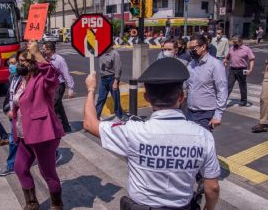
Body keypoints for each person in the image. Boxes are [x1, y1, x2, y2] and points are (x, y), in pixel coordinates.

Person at [83, 58, 221, 210]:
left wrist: (91, 90)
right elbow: (212, 187)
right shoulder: (203, 136)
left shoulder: (133, 131)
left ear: (147, 98)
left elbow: (89, 124)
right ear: (181, 97)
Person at [12, 50, 64, 210]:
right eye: (19, 61)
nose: (20, 64)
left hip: (42, 134)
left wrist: (36, 53)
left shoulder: (41, 80)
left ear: (34, 63)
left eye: (25, 61)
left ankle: (57, 204)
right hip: (24, 134)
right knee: (19, 168)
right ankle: (32, 203)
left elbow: (53, 78)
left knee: (47, 172)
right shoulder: (20, 80)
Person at [185, 35, 228, 132]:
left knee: (202, 143)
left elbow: (222, 90)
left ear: (203, 47)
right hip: (190, 111)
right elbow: (186, 85)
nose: (191, 51)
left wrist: (218, 115)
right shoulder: (191, 64)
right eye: (189, 48)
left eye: (193, 48)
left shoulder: (216, 65)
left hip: (205, 114)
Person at [40, 41, 74, 133]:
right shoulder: (45, 58)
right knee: (59, 106)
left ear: (49, 49)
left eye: (44, 49)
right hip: (49, 85)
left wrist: (70, 88)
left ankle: (57, 127)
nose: (42, 50)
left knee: (53, 105)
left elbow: (66, 74)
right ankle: (65, 127)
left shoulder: (59, 59)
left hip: (59, 85)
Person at [0, 54, 22, 177]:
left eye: (13, 63)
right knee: (16, 140)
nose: (11, 66)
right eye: (9, 63)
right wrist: (8, 108)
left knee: (14, 140)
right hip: (12, 114)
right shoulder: (12, 77)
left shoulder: (24, 78)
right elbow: (10, 96)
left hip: (20, 115)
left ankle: (11, 165)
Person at [224, 35, 255, 107]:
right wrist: (225, 61)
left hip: (242, 69)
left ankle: (244, 101)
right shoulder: (231, 48)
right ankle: (223, 101)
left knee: (242, 85)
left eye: (236, 42)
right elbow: (227, 57)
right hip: (232, 69)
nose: (234, 43)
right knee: (229, 85)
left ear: (240, 41)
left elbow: (252, 59)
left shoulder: (246, 49)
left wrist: (250, 69)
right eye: (233, 42)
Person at [95, 47, 124, 120]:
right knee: (101, 99)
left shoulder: (115, 54)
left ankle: (119, 116)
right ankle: (96, 116)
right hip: (103, 79)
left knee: (116, 98)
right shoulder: (101, 52)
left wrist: (116, 82)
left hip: (112, 79)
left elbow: (118, 69)